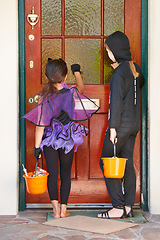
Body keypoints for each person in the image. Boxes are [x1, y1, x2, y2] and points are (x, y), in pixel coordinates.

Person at [23, 58, 99, 218]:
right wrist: (77, 72)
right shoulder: (71, 92)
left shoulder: (46, 96)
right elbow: (81, 88)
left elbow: (40, 126)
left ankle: (55, 211)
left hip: (50, 139)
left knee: (52, 173)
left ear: (48, 77)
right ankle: (64, 210)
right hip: (67, 138)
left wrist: (37, 148)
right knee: (65, 174)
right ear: (64, 77)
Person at [98, 31, 145, 219]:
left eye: (109, 50)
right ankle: (128, 207)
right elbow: (139, 83)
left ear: (116, 51)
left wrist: (113, 128)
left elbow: (116, 101)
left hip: (120, 126)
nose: (108, 53)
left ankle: (117, 207)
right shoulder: (136, 69)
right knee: (126, 163)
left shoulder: (119, 73)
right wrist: (121, 67)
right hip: (134, 126)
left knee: (106, 161)